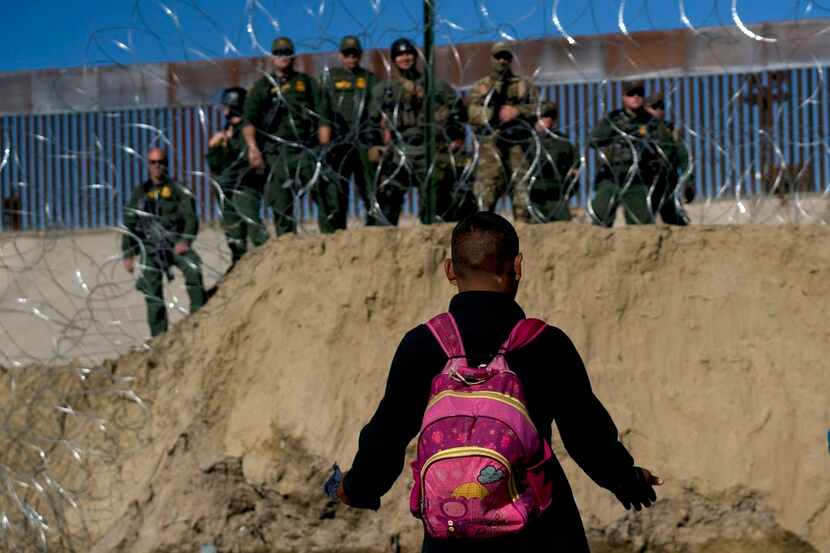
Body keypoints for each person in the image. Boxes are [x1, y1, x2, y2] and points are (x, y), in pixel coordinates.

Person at [336, 212, 663, 553]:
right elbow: (586, 434)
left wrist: (359, 488)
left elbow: (389, 431)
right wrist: (627, 480)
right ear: (517, 266)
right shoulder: (545, 343)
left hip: (452, 531)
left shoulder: (422, 344)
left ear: (450, 270)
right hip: (539, 531)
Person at [369, 37, 467, 225]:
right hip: (399, 148)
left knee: (436, 197)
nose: (405, 58)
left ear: (416, 56)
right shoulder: (385, 89)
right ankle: (386, 242)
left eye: (408, 54)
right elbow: (371, 121)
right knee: (388, 194)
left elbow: (457, 113)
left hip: (430, 148)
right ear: (393, 60)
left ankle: (430, 237)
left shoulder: (436, 86)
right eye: (400, 55)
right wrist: (374, 144)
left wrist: (456, 137)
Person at [242, 36, 331, 235]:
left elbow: (323, 115)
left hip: (305, 149)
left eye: (287, 52)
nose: (283, 57)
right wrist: (253, 148)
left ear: (294, 56)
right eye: (279, 53)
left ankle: (331, 238)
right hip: (276, 154)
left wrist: (324, 148)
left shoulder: (307, 82)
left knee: (325, 194)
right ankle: (287, 249)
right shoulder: (262, 87)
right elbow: (249, 121)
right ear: (272, 57)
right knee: (281, 204)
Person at [122, 148, 206, 337]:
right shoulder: (140, 192)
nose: (157, 166)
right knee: (152, 293)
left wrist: (186, 241)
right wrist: (128, 253)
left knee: (193, 268)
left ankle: (200, 319)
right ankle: (158, 338)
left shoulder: (178, 188)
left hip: (174, 242)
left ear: (167, 164)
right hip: (151, 247)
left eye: (161, 162)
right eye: (153, 162)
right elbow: (130, 222)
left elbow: (191, 218)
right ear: (148, 165)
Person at [468, 42, 540, 222]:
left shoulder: (523, 84)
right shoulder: (481, 86)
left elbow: (538, 108)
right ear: (491, 59)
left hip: (518, 143)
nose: (502, 61)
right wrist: (493, 113)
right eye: (498, 57)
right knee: (487, 189)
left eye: (506, 57)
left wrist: (517, 112)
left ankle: (522, 232)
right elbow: (471, 113)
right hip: (490, 145)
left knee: (521, 189)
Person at [318, 35, 380, 229]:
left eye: (354, 54)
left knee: (370, 189)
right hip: (338, 143)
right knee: (336, 191)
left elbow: (379, 111)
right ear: (341, 55)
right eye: (347, 54)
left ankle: (373, 230)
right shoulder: (329, 78)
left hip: (363, 141)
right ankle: (337, 233)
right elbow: (320, 108)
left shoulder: (370, 79)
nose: (351, 58)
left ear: (360, 55)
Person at [207, 86, 269, 271]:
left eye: (226, 105)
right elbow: (216, 165)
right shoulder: (228, 130)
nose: (223, 109)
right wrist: (214, 147)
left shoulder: (247, 130)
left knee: (253, 228)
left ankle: (269, 264)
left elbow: (244, 162)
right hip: (227, 190)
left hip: (245, 187)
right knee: (233, 232)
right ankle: (239, 266)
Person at [588, 80, 656, 227]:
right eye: (631, 94)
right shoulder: (612, 119)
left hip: (638, 178)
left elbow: (665, 146)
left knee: (641, 226)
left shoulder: (650, 121)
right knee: (600, 222)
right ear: (624, 97)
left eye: (640, 94)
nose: (636, 97)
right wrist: (615, 129)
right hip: (611, 176)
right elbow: (592, 141)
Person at [644, 93, 693, 225]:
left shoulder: (670, 131)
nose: (659, 110)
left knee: (673, 219)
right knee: (644, 219)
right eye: (655, 107)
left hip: (667, 182)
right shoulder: (638, 130)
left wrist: (689, 182)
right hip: (646, 183)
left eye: (662, 107)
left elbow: (684, 157)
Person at [526, 102, 580, 222]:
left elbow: (575, 166)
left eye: (551, 116)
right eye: (544, 116)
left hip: (556, 194)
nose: (548, 120)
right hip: (532, 194)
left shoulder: (562, 141)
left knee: (563, 227)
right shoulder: (526, 140)